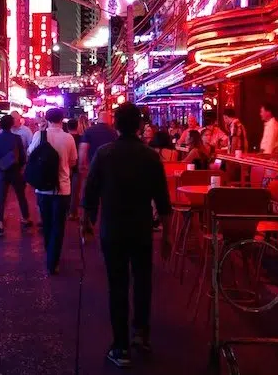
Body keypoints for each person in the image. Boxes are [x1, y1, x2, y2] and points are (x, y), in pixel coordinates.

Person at [83, 102, 173, 368]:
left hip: (112, 230)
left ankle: (120, 347)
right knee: (143, 282)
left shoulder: (104, 153)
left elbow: (90, 194)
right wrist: (167, 237)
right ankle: (141, 335)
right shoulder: (150, 157)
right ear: (139, 126)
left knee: (118, 285)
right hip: (142, 229)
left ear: (116, 126)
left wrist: (86, 223)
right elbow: (164, 202)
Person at [27, 108, 78, 275]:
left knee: (47, 224)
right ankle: (53, 260)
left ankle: (49, 253)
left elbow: (30, 154)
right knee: (59, 225)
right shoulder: (68, 137)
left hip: (42, 189)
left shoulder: (39, 135)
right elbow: (72, 161)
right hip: (62, 188)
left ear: (46, 119)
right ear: (61, 119)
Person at [0, 115, 33, 236]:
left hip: (2, 171)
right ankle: (26, 217)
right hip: (15, 171)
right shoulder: (17, 138)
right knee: (21, 196)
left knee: (1, 199)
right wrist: (21, 166)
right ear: (11, 124)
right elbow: (23, 157)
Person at [79, 111, 118, 233]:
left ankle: (90, 221)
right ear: (108, 119)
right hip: (111, 170)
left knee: (91, 196)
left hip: (93, 168)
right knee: (108, 197)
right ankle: (108, 224)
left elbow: (83, 149)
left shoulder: (90, 131)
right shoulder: (114, 132)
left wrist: (81, 165)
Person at [66, 118, 84, 221]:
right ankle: (73, 213)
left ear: (67, 127)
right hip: (77, 167)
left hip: (65, 167)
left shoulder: (65, 138)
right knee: (75, 192)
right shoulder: (82, 138)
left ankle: (65, 210)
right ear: (77, 126)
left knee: (65, 190)